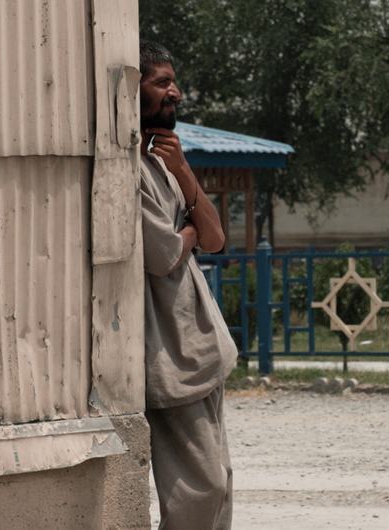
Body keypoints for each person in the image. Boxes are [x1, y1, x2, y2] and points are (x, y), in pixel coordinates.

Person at [138, 41, 235, 530]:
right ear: (133, 89)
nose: (174, 92)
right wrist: (189, 235)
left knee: (220, 487)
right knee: (199, 492)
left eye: (173, 82)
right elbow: (163, 256)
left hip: (203, 351)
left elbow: (215, 238)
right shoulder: (127, 170)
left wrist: (183, 171)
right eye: (161, 82)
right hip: (168, 357)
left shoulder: (164, 163)